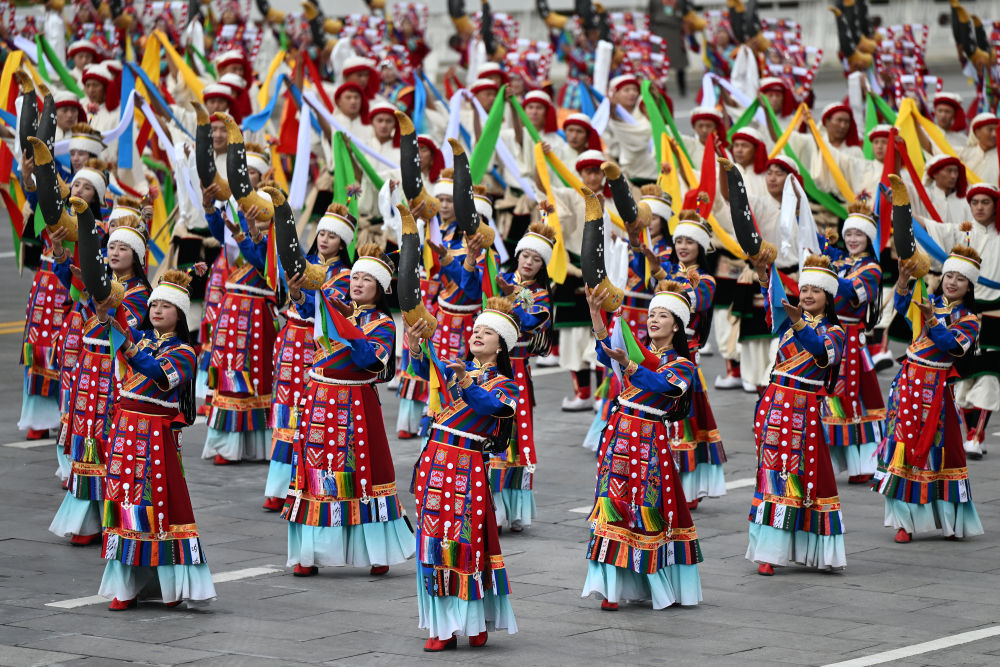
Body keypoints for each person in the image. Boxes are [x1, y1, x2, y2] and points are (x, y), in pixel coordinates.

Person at [281, 244, 414, 577]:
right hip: (319, 399)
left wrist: (345, 324)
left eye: (367, 279)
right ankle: (311, 554)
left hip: (355, 405)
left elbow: (370, 360)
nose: (357, 283)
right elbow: (312, 307)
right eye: (355, 277)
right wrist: (297, 293)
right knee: (316, 472)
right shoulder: (339, 306)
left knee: (361, 476)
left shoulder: (383, 324)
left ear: (380, 288)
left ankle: (377, 551)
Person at [94, 270, 216, 610]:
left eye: (166, 306)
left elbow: (158, 372)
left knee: (159, 508)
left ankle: (170, 587)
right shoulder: (142, 339)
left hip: (155, 439)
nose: (157, 310)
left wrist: (129, 346)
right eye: (154, 305)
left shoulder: (185, 353)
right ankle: (125, 588)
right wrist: (102, 301)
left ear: (181, 314)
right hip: (125, 433)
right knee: (124, 505)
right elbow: (118, 323)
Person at [406, 299, 520, 651]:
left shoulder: (506, 385)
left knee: (464, 543)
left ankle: (473, 620)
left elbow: (492, 407)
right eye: (476, 330)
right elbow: (427, 367)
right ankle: (441, 628)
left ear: (501, 345)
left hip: (466, 468)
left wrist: (465, 380)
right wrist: (415, 347)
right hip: (435, 461)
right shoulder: (457, 368)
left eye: (487, 332)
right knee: (432, 542)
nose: (477, 335)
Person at [581, 280, 703, 610]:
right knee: (610, 504)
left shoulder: (683, 365)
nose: (653, 320)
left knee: (644, 508)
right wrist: (596, 316)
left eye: (662, 316)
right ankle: (610, 589)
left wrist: (630, 365)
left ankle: (647, 580)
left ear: (676, 326)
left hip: (648, 439)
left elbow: (664, 385)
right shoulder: (637, 352)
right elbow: (607, 354)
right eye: (651, 314)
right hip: (618, 435)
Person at [49, 218, 150, 545]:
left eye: (123, 248)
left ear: (137, 256)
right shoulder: (100, 282)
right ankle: (86, 522)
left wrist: (97, 292)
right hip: (88, 371)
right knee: (86, 439)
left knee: (110, 443)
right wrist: (60, 250)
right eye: (111, 247)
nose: (115, 252)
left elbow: (125, 329)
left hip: (114, 372)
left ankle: (111, 520)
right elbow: (70, 281)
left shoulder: (140, 294)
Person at [874, 244, 985, 543]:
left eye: (960, 279)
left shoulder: (970, 319)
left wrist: (932, 320)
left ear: (970, 286)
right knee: (901, 448)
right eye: (948, 275)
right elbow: (902, 307)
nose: (952, 282)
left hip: (936, 391)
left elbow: (954, 345)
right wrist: (902, 280)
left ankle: (949, 522)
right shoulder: (930, 301)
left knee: (939, 452)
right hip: (908, 384)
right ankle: (904, 523)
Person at [746, 254, 847, 575]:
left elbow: (820, 351)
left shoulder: (835, 331)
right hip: (774, 404)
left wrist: (799, 323)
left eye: (816, 290)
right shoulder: (789, 324)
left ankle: (811, 549)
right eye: (804, 289)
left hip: (803, 411)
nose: (808, 295)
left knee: (803, 476)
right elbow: (774, 300)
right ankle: (768, 551)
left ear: (828, 296)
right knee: (771, 474)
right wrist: (764, 274)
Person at [262, 204, 354, 511]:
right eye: (322, 233)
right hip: (290, 341)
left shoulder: (345, 276)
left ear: (343, 243)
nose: (325, 239)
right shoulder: (306, 263)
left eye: (332, 235)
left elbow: (326, 305)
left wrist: (300, 295)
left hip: (317, 347)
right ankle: (277, 486)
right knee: (285, 413)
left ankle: (299, 484)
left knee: (308, 416)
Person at [490, 223, 555, 533]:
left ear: (543, 265)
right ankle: (491, 507)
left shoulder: (540, 294)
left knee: (514, 435)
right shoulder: (501, 278)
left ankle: (510, 509)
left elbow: (529, 321)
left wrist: (511, 297)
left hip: (515, 369)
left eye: (536, 259)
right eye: (525, 255)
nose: (528, 262)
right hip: (490, 366)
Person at [816, 201, 885, 484]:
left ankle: (864, 462)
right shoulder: (841, 260)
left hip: (851, 342)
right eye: (849, 234)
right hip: (830, 334)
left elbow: (851, 291)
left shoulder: (872, 269)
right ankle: (832, 461)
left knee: (857, 401)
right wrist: (797, 209)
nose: (853, 239)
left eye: (859, 234)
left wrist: (826, 275)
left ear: (869, 237)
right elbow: (811, 239)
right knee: (830, 399)